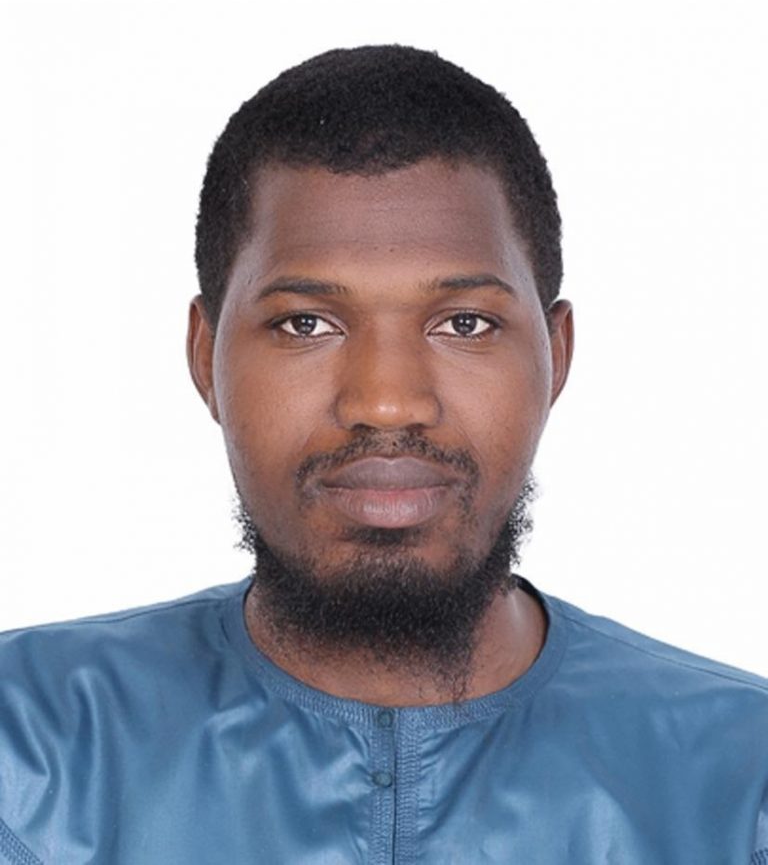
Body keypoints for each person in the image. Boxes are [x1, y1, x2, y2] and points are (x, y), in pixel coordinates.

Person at [1, 45, 766, 865]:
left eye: (465, 323)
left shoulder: (742, 787)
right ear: (204, 358)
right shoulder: (28, 753)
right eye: (306, 324)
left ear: (557, 357)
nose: (387, 402)